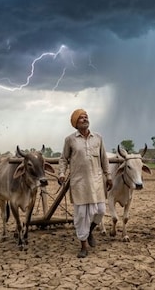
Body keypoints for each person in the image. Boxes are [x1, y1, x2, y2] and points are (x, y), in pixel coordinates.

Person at [58, 109, 113, 258]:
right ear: (75, 123)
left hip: (96, 182)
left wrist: (108, 176)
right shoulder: (70, 140)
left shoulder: (98, 138)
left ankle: (89, 232)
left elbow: (104, 159)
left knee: (100, 211)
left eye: (86, 116)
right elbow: (63, 159)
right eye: (81, 118)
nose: (84, 119)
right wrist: (62, 174)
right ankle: (83, 246)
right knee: (81, 215)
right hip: (79, 183)